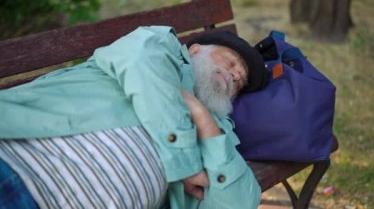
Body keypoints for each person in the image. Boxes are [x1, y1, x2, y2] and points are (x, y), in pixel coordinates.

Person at [0, 26, 267, 208]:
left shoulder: (219, 137)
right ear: (196, 49)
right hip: (20, 168)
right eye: (231, 63)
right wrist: (186, 161)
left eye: (239, 83)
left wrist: (205, 122)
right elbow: (141, 60)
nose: (234, 76)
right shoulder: (162, 47)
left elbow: (240, 203)